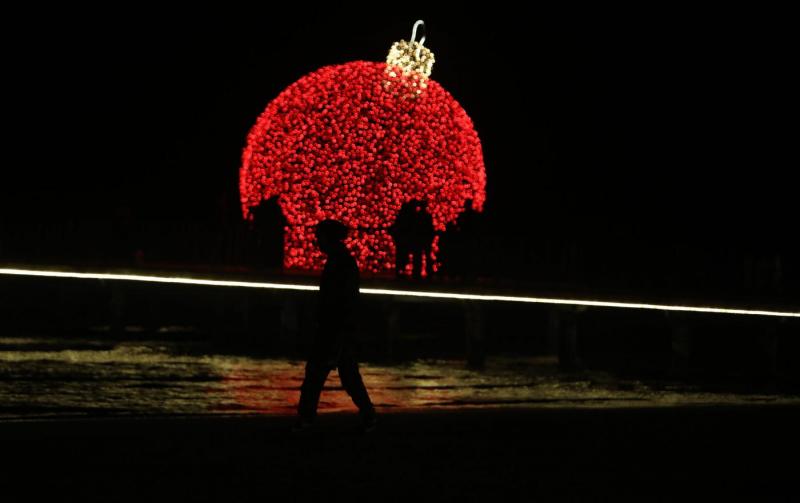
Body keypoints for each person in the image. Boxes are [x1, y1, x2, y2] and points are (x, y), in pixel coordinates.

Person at [292, 219, 376, 433]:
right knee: (348, 376)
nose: (317, 242)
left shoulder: (339, 263)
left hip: (333, 328)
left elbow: (338, 298)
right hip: (340, 327)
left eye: (319, 237)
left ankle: (306, 418)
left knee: (315, 375)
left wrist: (329, 322)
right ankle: (368, 415)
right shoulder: (343, 261)